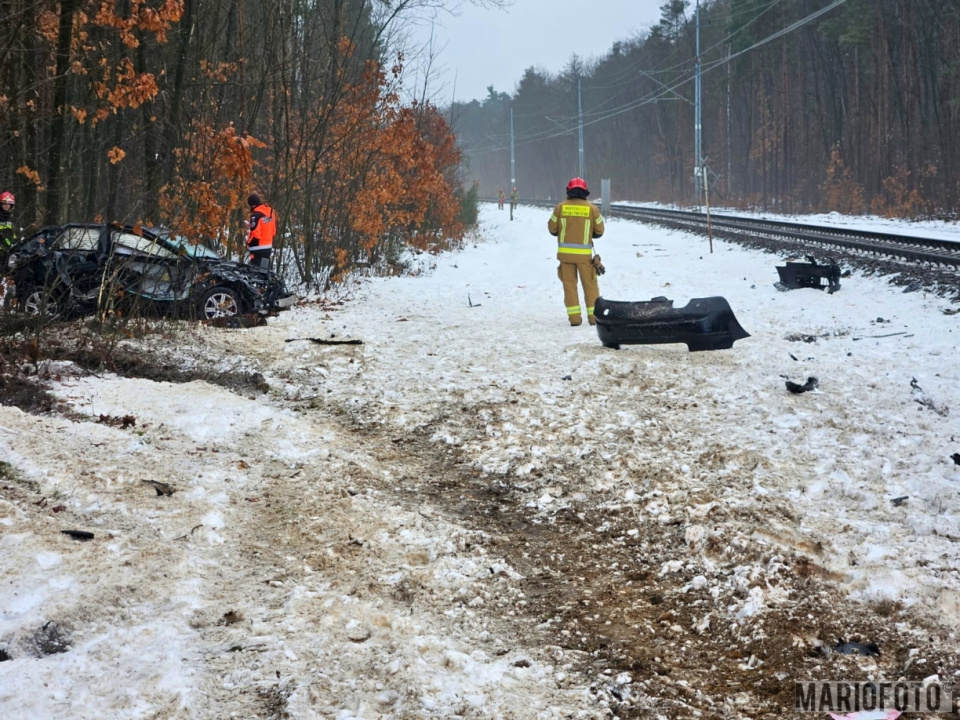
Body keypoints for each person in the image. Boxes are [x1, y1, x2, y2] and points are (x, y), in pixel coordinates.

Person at [547, 177, 605, 326]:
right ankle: (593, 318)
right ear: (585, 192)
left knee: (569, 286)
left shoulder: (560, 207)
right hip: (585, 258)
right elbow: (599, 231)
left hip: (565, 257)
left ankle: (574, 319)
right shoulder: (592, 209)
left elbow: (552, 228)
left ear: (569, 191)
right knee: (590, 286)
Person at [245, 193, 276, 271]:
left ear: (252, 205)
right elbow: (273, 231)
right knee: (266, 271)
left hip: (257, 248)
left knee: (257, 274)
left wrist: (248, 243)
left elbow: (255, 235)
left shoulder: (255, 216)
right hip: (268, 246)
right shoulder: (271, 212)